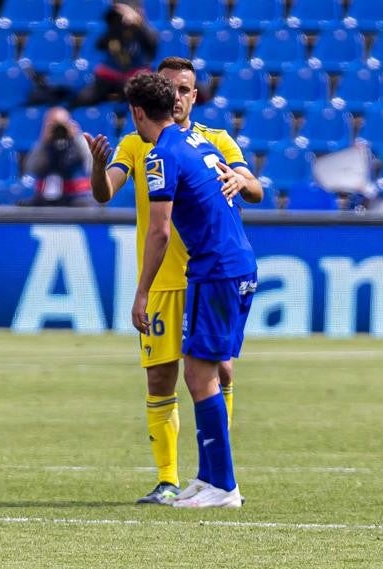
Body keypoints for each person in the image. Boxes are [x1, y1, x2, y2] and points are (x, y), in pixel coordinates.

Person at [86, 57, 262, 506]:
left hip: (209, 271)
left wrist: (240, 180)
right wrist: (96, 166)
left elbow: (252, 189)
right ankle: (187, 478)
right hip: (190, 273)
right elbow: (105, 192)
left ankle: (221, 479)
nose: (179, 96)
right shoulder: (149, 143)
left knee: (210, 372)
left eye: (186, 89)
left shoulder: (198, 143)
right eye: (172, 88)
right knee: (170, 377)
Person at [73, 1, 158, 107]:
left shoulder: (144, 30)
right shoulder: (113, 26)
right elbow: (100, 44)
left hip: (136, 76)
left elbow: (153, 46)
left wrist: (139, 23)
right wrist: (115, 24)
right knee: (83, 98)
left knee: (145, 99)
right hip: (111, 75)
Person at [21, 107, 94, 207]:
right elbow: (31, 169)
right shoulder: (44, 144)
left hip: (78, 196)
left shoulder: (81, 141)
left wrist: (76, 137)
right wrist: (43, 141)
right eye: (53, 124)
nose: (58, 129)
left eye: (62, 124)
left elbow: (91, 167)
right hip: (46, 197)